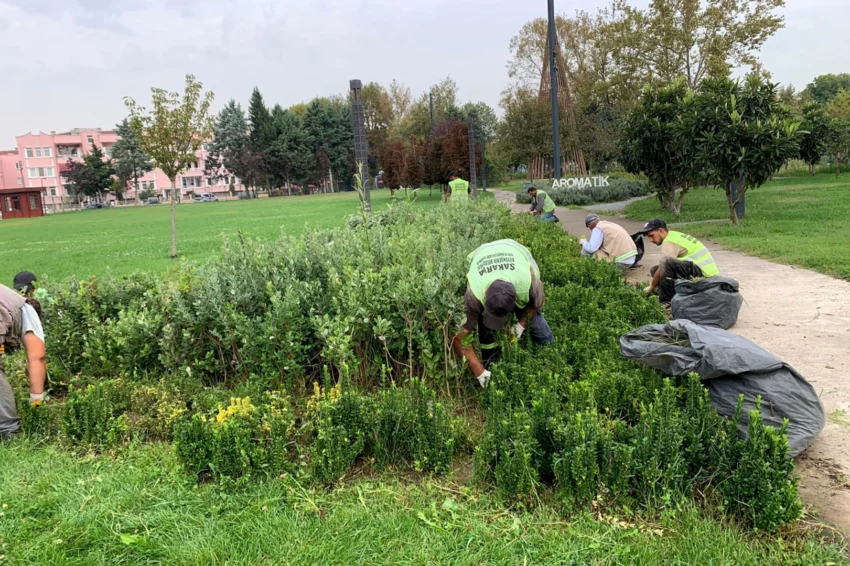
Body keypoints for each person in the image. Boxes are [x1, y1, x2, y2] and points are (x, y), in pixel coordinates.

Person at [451, 239, 555, 387]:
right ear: (485, 294)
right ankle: (490, 364)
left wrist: (520, 325)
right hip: (484, 253)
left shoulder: (529, 281)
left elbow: (535, 304)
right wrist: (479, 372)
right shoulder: (474, 294)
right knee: (486, 329)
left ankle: (551, 352)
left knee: (536, 323)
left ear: (516, 298)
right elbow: (458, 335)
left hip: (517, 251)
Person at [0, 283, 47, 439]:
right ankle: (8, 431)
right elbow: (37, 357)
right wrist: (36, 401)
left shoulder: (7, 299)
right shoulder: (27, 311)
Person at [640, 218, 719, 304]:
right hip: (698, 269)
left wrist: (651, 286)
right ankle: (674, 294)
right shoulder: (674, 235)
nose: (650, 240)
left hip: (705, 274)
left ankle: (667, 302)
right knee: (655, 270)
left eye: (651, 236)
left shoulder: (670, 241)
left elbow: (665, 264)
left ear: (661, 231)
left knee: (666, 264)